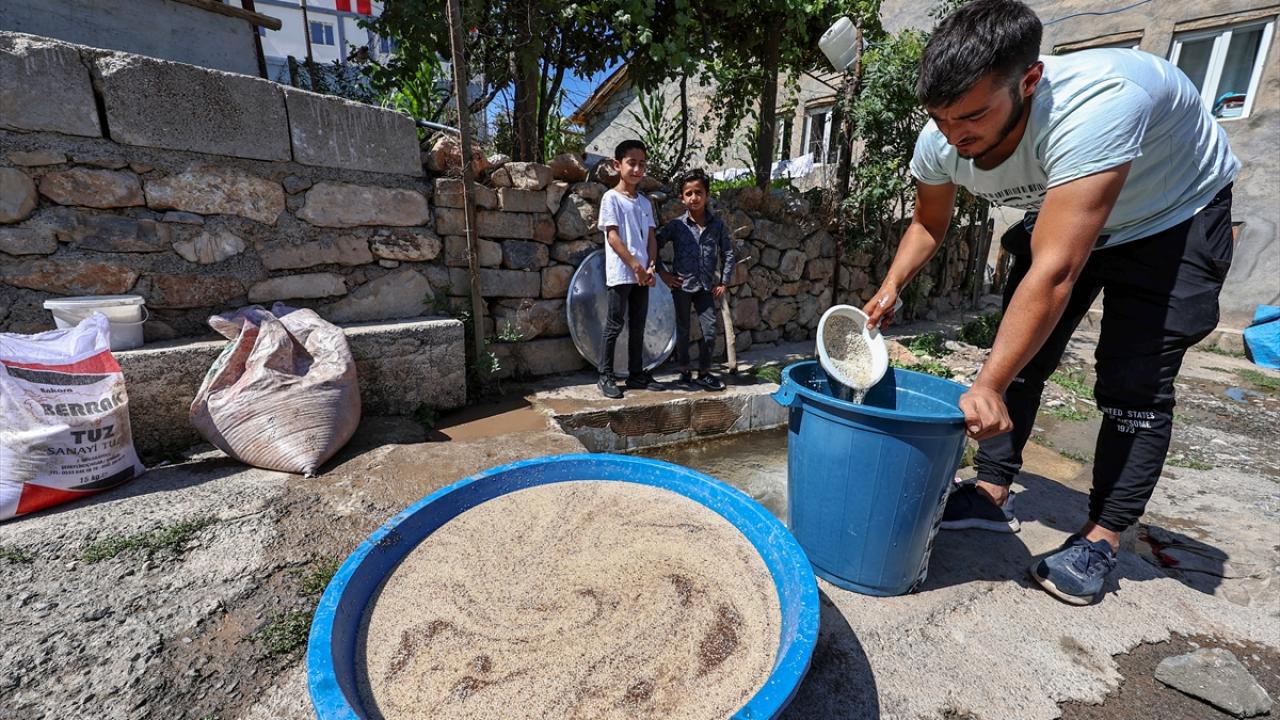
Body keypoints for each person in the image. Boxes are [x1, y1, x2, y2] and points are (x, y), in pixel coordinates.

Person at [863, 0, 1238, 605]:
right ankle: (991, 491)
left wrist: (986, 384)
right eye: (941, 118)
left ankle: (1102, 536)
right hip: (1070, 204)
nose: (955, 134)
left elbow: (1057, 270)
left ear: (1030, 81)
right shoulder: (942, 138)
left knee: (1134, 381)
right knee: (1021, 358)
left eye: (973, 116)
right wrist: (891, 286)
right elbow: (928, 222)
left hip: (1172, 214)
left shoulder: (1098, 103)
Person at [657, 168, 738, 391]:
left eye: (699, 192)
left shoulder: (716, 225)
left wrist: (724, 282)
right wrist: (663, 274)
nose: (694, 197)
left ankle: (704, 372)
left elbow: (728, 252)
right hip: (682, 287)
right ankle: (684, 370)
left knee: (710, 331)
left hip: (706, 288)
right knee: (683, 330)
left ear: (707, 195)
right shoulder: (677, 226)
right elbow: (654, 245)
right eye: (689, 193)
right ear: (682, 198)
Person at [597, 139, 664, 399]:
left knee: (638, 324)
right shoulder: (610, 198)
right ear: (618, 165)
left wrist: (651, 265)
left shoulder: (644, 203)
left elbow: (651, 237)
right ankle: (605, 375)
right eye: (631, 163)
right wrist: (635, 265)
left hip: (642, 274)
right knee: (614, 324)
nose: (637, 169)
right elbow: (613, 237)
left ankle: (636, 374)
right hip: (622, 272)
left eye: (642, 164)